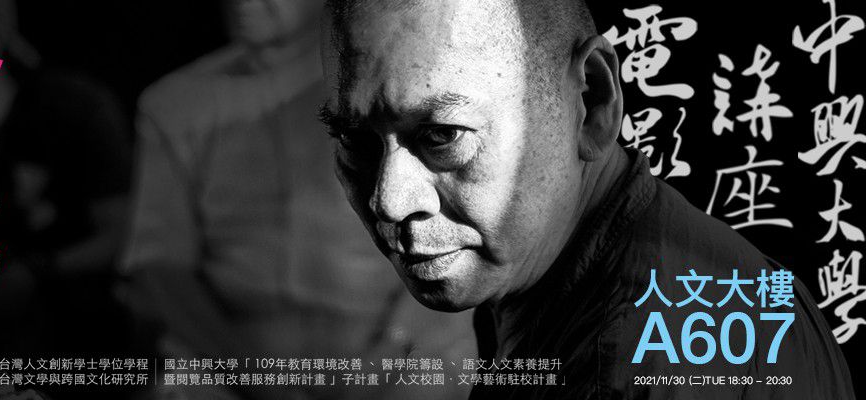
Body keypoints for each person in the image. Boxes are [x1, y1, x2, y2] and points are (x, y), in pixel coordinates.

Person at [318, 0, 856, 398]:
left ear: (592, 103)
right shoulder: (551, 277)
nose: (389, 201)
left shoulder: (635, 361)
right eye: (354, 141)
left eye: (442, 135)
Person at [119, 0, 475, 398]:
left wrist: (394, 350)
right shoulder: (174, 104)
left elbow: (459, 230)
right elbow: (160, 266)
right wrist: (255, 379)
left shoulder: (404, 81)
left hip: (400, 360)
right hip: (227, 368)